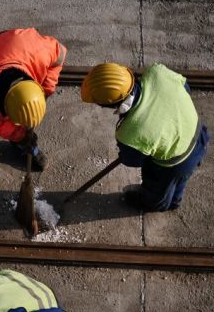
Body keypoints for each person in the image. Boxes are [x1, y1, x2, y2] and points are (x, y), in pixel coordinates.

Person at [0, 28, 67, 206]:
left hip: (10, 51)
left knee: (24, 124)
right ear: (4, 109)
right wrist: (21, 135)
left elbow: (59, 53)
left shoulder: (37, 50)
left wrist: (45, 91)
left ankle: (27, 149)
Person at [80, 62, 210, 212]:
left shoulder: (129, 132)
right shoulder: (157, 72)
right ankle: (175, 200)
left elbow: (133, 161)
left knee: (158, 186)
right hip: (199, 134)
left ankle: (154, 204)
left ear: (108, 105)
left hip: (176, 162)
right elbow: (185, 87)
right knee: (180, 179)